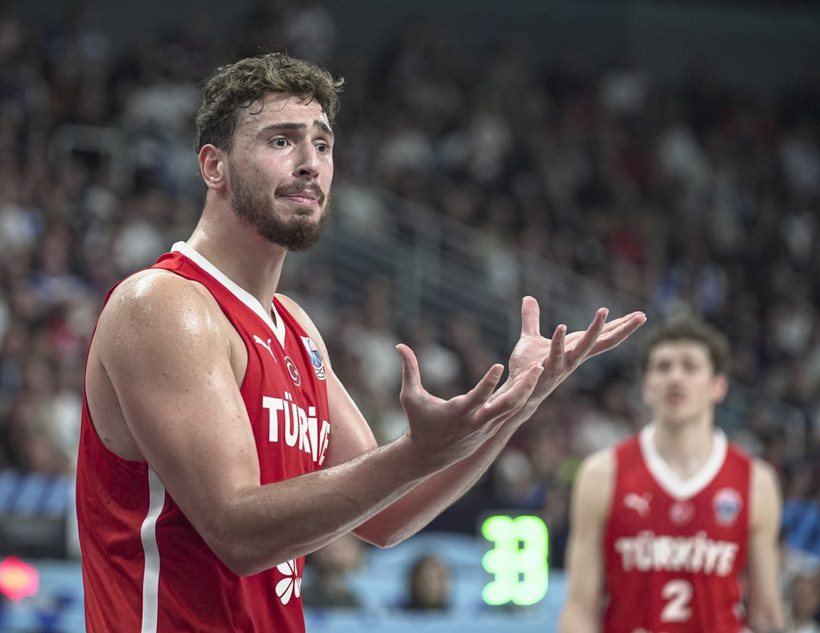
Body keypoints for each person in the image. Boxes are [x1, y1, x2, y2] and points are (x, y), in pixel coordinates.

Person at [74, 52, 646, 632]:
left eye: (322, 145)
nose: (309, 164)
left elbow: (387, 515)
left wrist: (516, 405)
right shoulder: (165, 305)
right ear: (214, 167)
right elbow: (236, 531)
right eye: (281, 141)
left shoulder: (295, 326)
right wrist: (416, 452)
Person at [559, 314, 785, 633]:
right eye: (663, 367)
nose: (675, 378)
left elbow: (766, 613)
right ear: (647, 386)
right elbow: (580, 609)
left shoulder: (756, 481)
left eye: (690, 367)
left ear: (718, 386)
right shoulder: (601, 473)